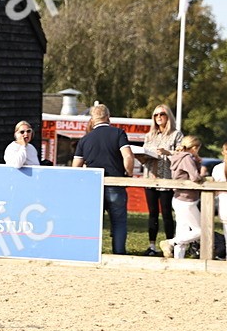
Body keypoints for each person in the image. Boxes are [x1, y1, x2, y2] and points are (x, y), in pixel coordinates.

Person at [71, 104, 134, 255]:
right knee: (119, 222)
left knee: (94, 223)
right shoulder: (119, 133)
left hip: (94, 187)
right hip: (115, 184)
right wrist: (129, 173)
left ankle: (91, 253)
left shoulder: (85, 139)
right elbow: (128, 156)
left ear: (92, 120)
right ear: (108, 117)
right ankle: (119, 253)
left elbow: (76, 166)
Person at [135, 104, 183, 256]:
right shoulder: (150, 135)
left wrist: (167, 152)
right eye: (155, 115)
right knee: (152, 213)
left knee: (167, 213)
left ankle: (170, 244)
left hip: (167, 178)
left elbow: (182, 155)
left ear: (168, 116)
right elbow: (144, 155)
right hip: (150, 177)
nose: (158, 117)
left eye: (161, 114)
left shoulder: (176, 135)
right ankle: (152, 246)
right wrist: (141, 156)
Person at [162, 135, 204, 260]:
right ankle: (170, 243)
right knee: (200, 231)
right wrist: (202, 173)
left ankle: (178, 259)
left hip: (178, 198)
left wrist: (196, 160)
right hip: (188, 199)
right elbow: (195, 177)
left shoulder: (178, 157)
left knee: (182, 230)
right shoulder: (187, 158)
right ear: (195, 148)